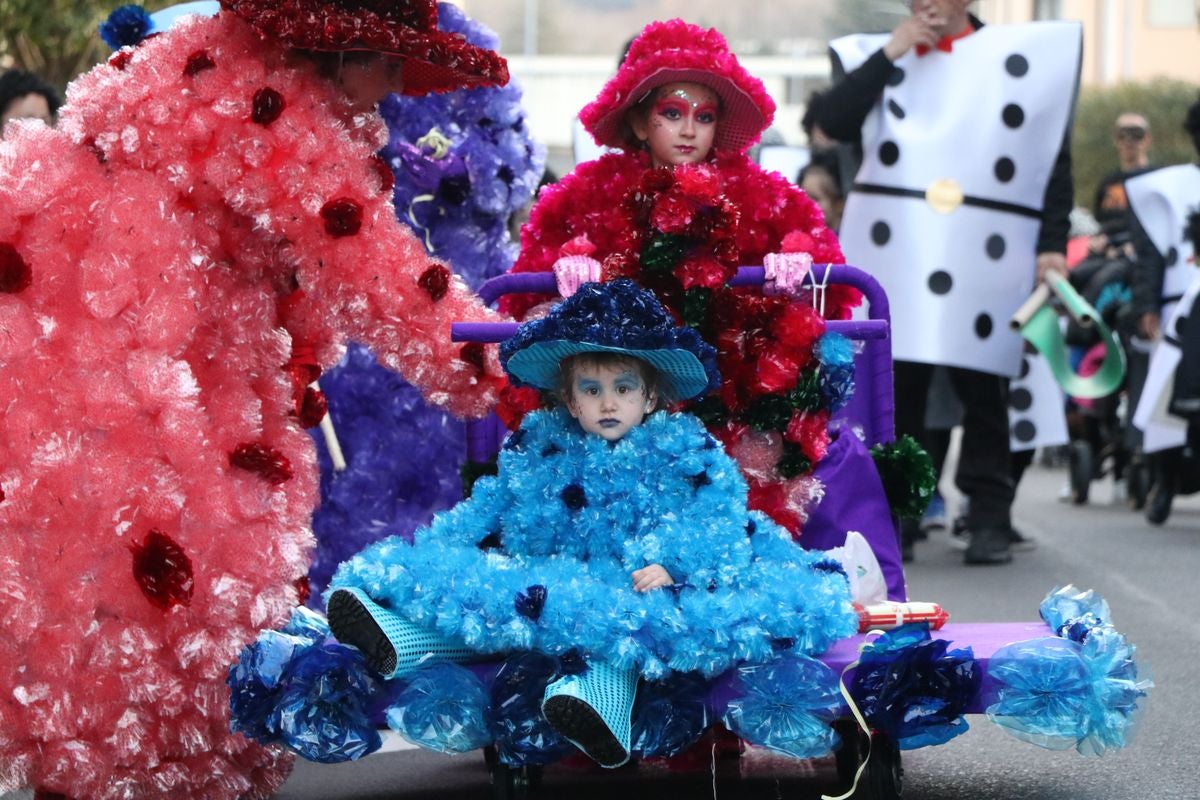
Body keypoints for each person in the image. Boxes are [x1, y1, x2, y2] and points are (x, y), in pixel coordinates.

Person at [0, 2, 513, 798]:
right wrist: (514, 369)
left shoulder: (200, 62)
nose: (394, 91)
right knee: (170, 586)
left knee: (110, 585)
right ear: (335, 49)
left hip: (87, 337)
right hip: (134, 351)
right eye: (385, 63)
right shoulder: (271, 108)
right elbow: (370, 268)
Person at [325, 279, 858, 768]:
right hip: (555, 574)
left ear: (649, 397)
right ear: (570, 400)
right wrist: (428, 557)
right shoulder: (540, 444)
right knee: (492, 598)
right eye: (591, 390)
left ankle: (595, 701)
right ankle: (401, 636)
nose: (608, 403)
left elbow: (717, 515)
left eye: (623, 388)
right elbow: (491, 508)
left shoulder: (684, 445)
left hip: (646, 579)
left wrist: (674, 564)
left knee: (627, 622)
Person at [500, 19, 859, 540]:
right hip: (615, 400)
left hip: (732, 397)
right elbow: (521, 289)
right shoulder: (586, 193)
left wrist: (799, 261)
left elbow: (832, 270)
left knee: (737, 518)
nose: (690, 129)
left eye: (704, 116)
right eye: (672, 113)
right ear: (642, 122)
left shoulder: (758, 191)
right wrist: (561, 271)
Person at [813, 0, 1080, 564]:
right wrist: (894, 49)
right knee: (896, 386)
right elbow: (832, 122)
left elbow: (1048, 158)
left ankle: (989, 516)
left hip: (988, 250)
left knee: (984, 388)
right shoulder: (875, 53)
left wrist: (1052, 242)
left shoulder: (1017, 57)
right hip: (902, 248)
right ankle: (900, 515)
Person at [1126, 95, 1200, 524]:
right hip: (1180, 310)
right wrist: (1146, 304)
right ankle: (1165, 482)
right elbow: (1151, 253)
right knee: (1166, 400)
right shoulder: (1169, 185)